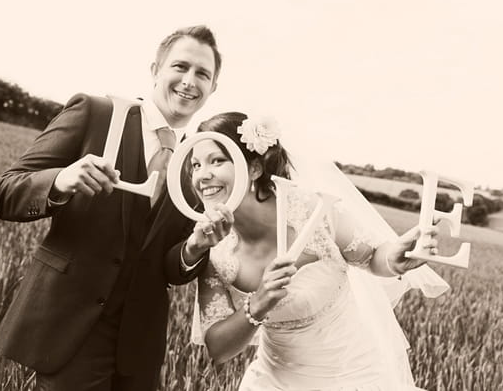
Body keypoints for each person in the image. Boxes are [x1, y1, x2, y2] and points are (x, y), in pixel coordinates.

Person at [0, 25, 224, 391]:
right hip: (71, 331)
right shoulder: (96, 113)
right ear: (155, 70)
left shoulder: (196, 163)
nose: (189, 81)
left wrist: (194, 248)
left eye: (203, 74)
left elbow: (169, 267)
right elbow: (6, 192)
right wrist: (61, 181)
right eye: (180, 66)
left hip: (139, 350)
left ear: (212, 88)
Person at [182, 112, 443, 390]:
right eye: (195, 165)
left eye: (217, 160)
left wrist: (393, 258)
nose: (202, 175)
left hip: (357, 377)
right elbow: (218, 349)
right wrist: (257, 305)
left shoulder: (314, 210)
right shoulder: (213, 247)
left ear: (255, 169)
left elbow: (371, 257)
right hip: (273, 381)